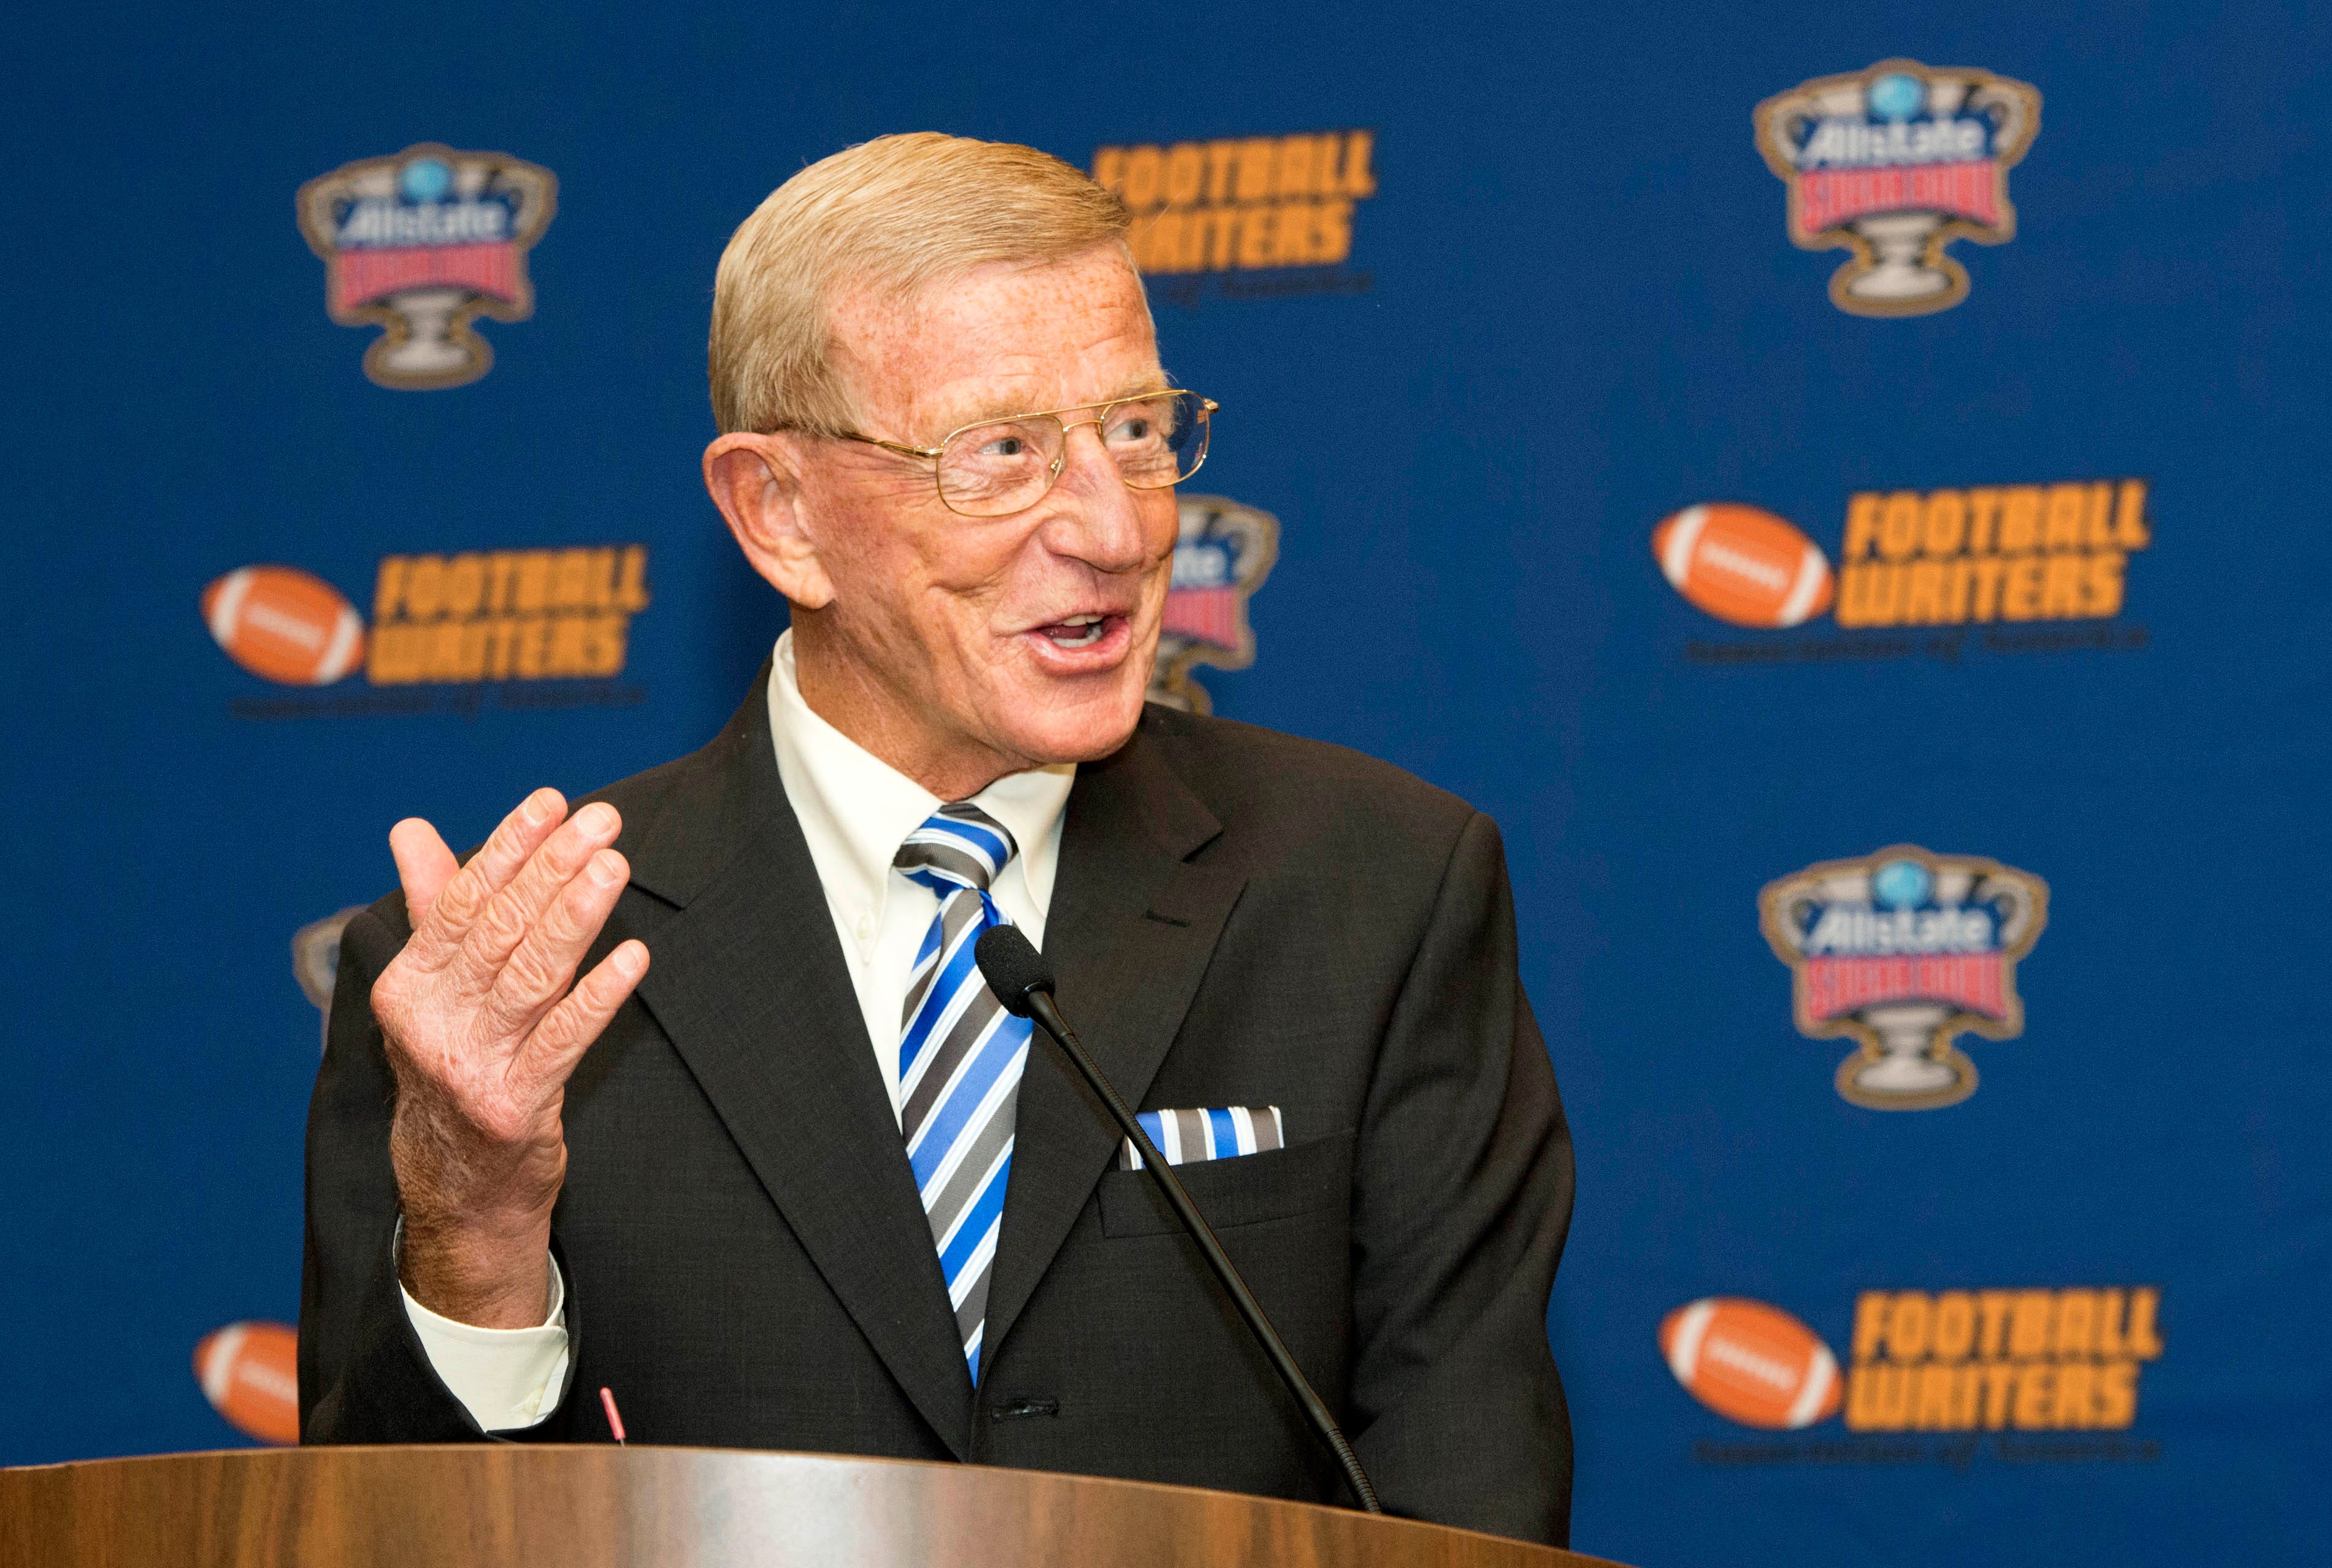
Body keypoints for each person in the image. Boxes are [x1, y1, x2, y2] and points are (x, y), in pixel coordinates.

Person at [300, 132, 1575, 1543]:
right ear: (779, 514)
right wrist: (473, 1240)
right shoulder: (509, 986)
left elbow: (1472, 1501)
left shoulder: (1380, 893)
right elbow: (384, 1534)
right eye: (1004, 452)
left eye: (1139, 429)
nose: (1114, 526)